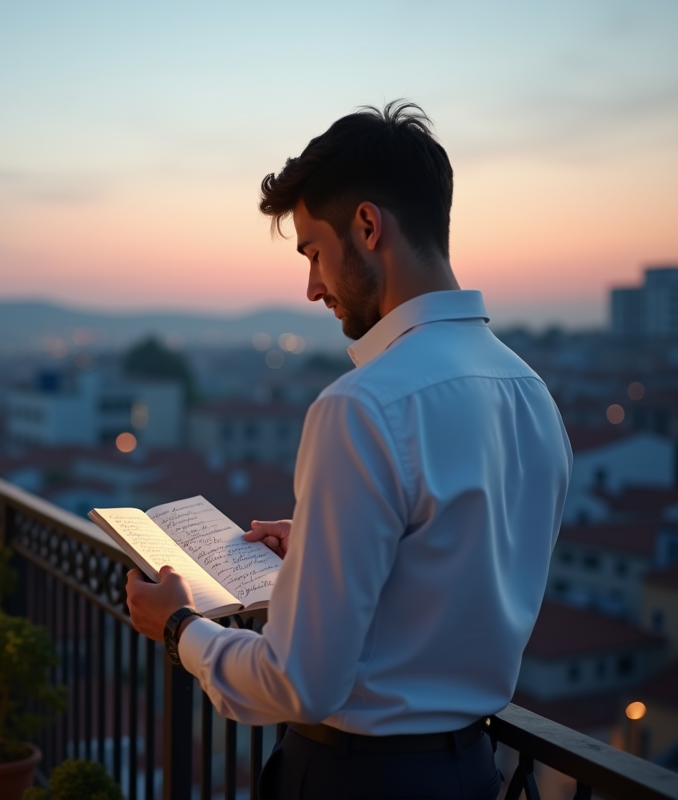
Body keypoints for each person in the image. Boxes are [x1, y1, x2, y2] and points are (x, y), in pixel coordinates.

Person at [125, 101, 572, 800]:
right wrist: (322, 543)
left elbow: (298, 681)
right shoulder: (530, 394)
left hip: (356, 779)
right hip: (473, 775)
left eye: (312, 251)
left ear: (367, 227)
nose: (310, 289)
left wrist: (179, 628)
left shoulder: (363, 406)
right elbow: (455, 553)